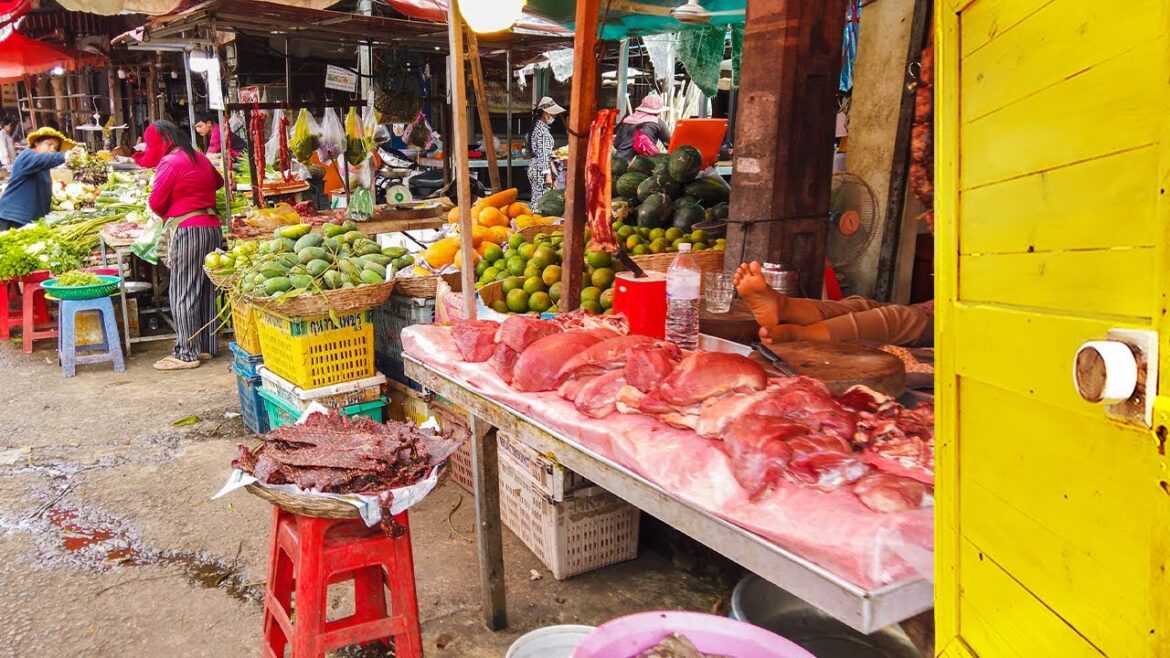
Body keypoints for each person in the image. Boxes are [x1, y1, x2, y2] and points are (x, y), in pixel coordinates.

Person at [145, 120, 225, 371]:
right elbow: (219, 182)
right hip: (211, 226)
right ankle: (205, 347)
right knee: (205, 288)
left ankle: (186, 353)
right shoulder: (199, 158)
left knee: (183, 289)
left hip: (188, 227)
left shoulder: (170, 162)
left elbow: (156, 203)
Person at [734, 261, 934, 347]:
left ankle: (800, 334)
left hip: (950, 326)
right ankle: (785, 306)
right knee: (861, 305)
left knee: (906, 318)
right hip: (934, 309)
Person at [0, 127, 77, 231]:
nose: (52, 149)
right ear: (36, 143)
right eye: (49, 144)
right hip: (14, 218)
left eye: (55, 148)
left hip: (29, 221)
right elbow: (43, 159)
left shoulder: (43, 167)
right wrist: (65, 156)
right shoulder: (27, 156)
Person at [526, 96, 565, 207]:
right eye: (552, 114)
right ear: (545, 113)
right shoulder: (542, 131)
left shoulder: (536, 127)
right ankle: (536, 223)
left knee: (537, 201)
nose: (554, 116)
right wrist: (547, 174)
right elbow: (543, 154)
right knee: (542, 203)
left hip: (536, 167)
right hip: (540, 170)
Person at [614, 94, 673, 160]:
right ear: (658, 111)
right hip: (642, 164)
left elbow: (616, 144)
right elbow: (670, 145)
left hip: (619, 161)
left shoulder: (626, 120)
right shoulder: (658, 123)